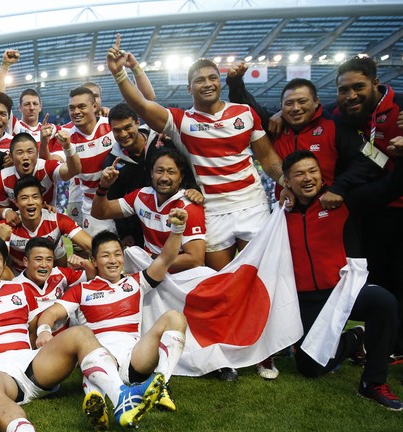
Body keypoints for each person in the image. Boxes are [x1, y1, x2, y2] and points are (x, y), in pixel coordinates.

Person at [108, 35, 284, 381]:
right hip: (212, 209)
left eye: (212, 78)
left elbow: (267, 159)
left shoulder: (245, 114)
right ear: (189, 88)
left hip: (251, 204)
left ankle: (267, 352)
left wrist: (284, 180)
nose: (207, 84)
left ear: (220, 81)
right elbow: (143, 108)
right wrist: (120, 76)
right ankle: (231, 345)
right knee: (221, 285)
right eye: (199, 80)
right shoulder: (182, 121)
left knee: (258, 279)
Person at [0, 234, 166, 432]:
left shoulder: (19, 290)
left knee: (80, 332)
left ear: (4, 263)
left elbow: (32, 329)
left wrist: (43, 343)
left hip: (32, 365)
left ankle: (121, 396)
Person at [281, 149, 403, 409]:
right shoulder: (278, 212)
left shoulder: (345, 200)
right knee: (311, 368)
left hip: (345, 289)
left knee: (383, 301)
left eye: (312, 171)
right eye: (299, 174)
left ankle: (372, 383)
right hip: (306, 299)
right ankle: (356, 338)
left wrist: (402, 157)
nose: (307, 178)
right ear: (287, 181)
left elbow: (392, 186)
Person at [36, 222, 190, 425]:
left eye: (117, 254)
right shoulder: (81, 290)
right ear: (94, 260)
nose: (113, 260)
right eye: (106, 255)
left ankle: (160, 384)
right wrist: (44, 330)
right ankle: (98, 396)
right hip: (101, 356)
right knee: (87, 344)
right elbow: (51, 313)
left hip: (135, 358)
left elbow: (166, 258)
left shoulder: (136, 282)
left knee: (175, 317)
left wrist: (177, 230)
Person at [332, 56, 403, 359]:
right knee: (381, 281)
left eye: (358, 87)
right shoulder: (343, 114)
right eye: (343, 90)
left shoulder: (401, 105)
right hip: (371, 211)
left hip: (402, 208)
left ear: (376, 83)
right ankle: (389, 346)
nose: (350, 96)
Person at [227, 68, 378, 209]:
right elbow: (248, 108)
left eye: (302, 101)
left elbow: (373, 158)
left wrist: (340, 187)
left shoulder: (336, 126)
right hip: (288, 211)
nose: (296, 108)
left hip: (329, 209)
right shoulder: (275, 126)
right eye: (289, 103)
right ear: (281, 106)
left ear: (316, 101)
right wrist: (235, 83)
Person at [91, 148, 206, 273]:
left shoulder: (189, 207)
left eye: (171, 172)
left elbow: (196, 259)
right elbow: (99, 212)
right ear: (151, 173)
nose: (164, 178)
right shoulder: (141, 196)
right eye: (159, 171)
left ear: (181, 177)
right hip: (149, 273)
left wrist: (152, 259)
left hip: (178, 277)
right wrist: (103, 186)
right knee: (130, 254)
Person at [101, 103, 192, 246]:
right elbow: (114, 199)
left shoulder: (162, 141)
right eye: (117, 130)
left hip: (177, 214)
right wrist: (125, 233)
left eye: (127, 127)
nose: (123, 134)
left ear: (138, 122)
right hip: (140, 224)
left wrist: (192, 188)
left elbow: (184, 167)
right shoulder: (112, 161)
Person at [47, 86, 116, 235]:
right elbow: (52, 165)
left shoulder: (111, 125)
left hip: (120, 202)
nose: (76, 112)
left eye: (81, 106)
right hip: (92, 207)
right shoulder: (65, 135)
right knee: (98, 254)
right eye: (72, 108)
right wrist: (43, 143)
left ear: (95, 106)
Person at [12, 237, 93, 337]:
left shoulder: (59, 274)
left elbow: (92, 278)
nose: (44, 265)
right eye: (38, 259)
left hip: (69, 334)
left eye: (49, 260)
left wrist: (85, 264)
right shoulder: (15, 288)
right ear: (26, 261)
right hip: (39, 343)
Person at [7, 176, 92, 271]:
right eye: (24, 198)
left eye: (35, 197)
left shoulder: (57, 220)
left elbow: (90, 245)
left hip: (50, 277)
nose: (30, 202)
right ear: (16, 202)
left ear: (42, 199)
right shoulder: (7, 227)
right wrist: (3, 238)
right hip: (18, 278)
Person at [0, 131, 81, 216]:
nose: (25, 157)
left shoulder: (47, 168)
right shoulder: (2, 178)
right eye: (20, 153)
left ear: (37, 153)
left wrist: (68, 147)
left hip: (48, 220)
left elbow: (74, 170)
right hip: (18, 226)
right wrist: (6, 212)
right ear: (11, 156)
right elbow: (0, 207)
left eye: (30, 152)